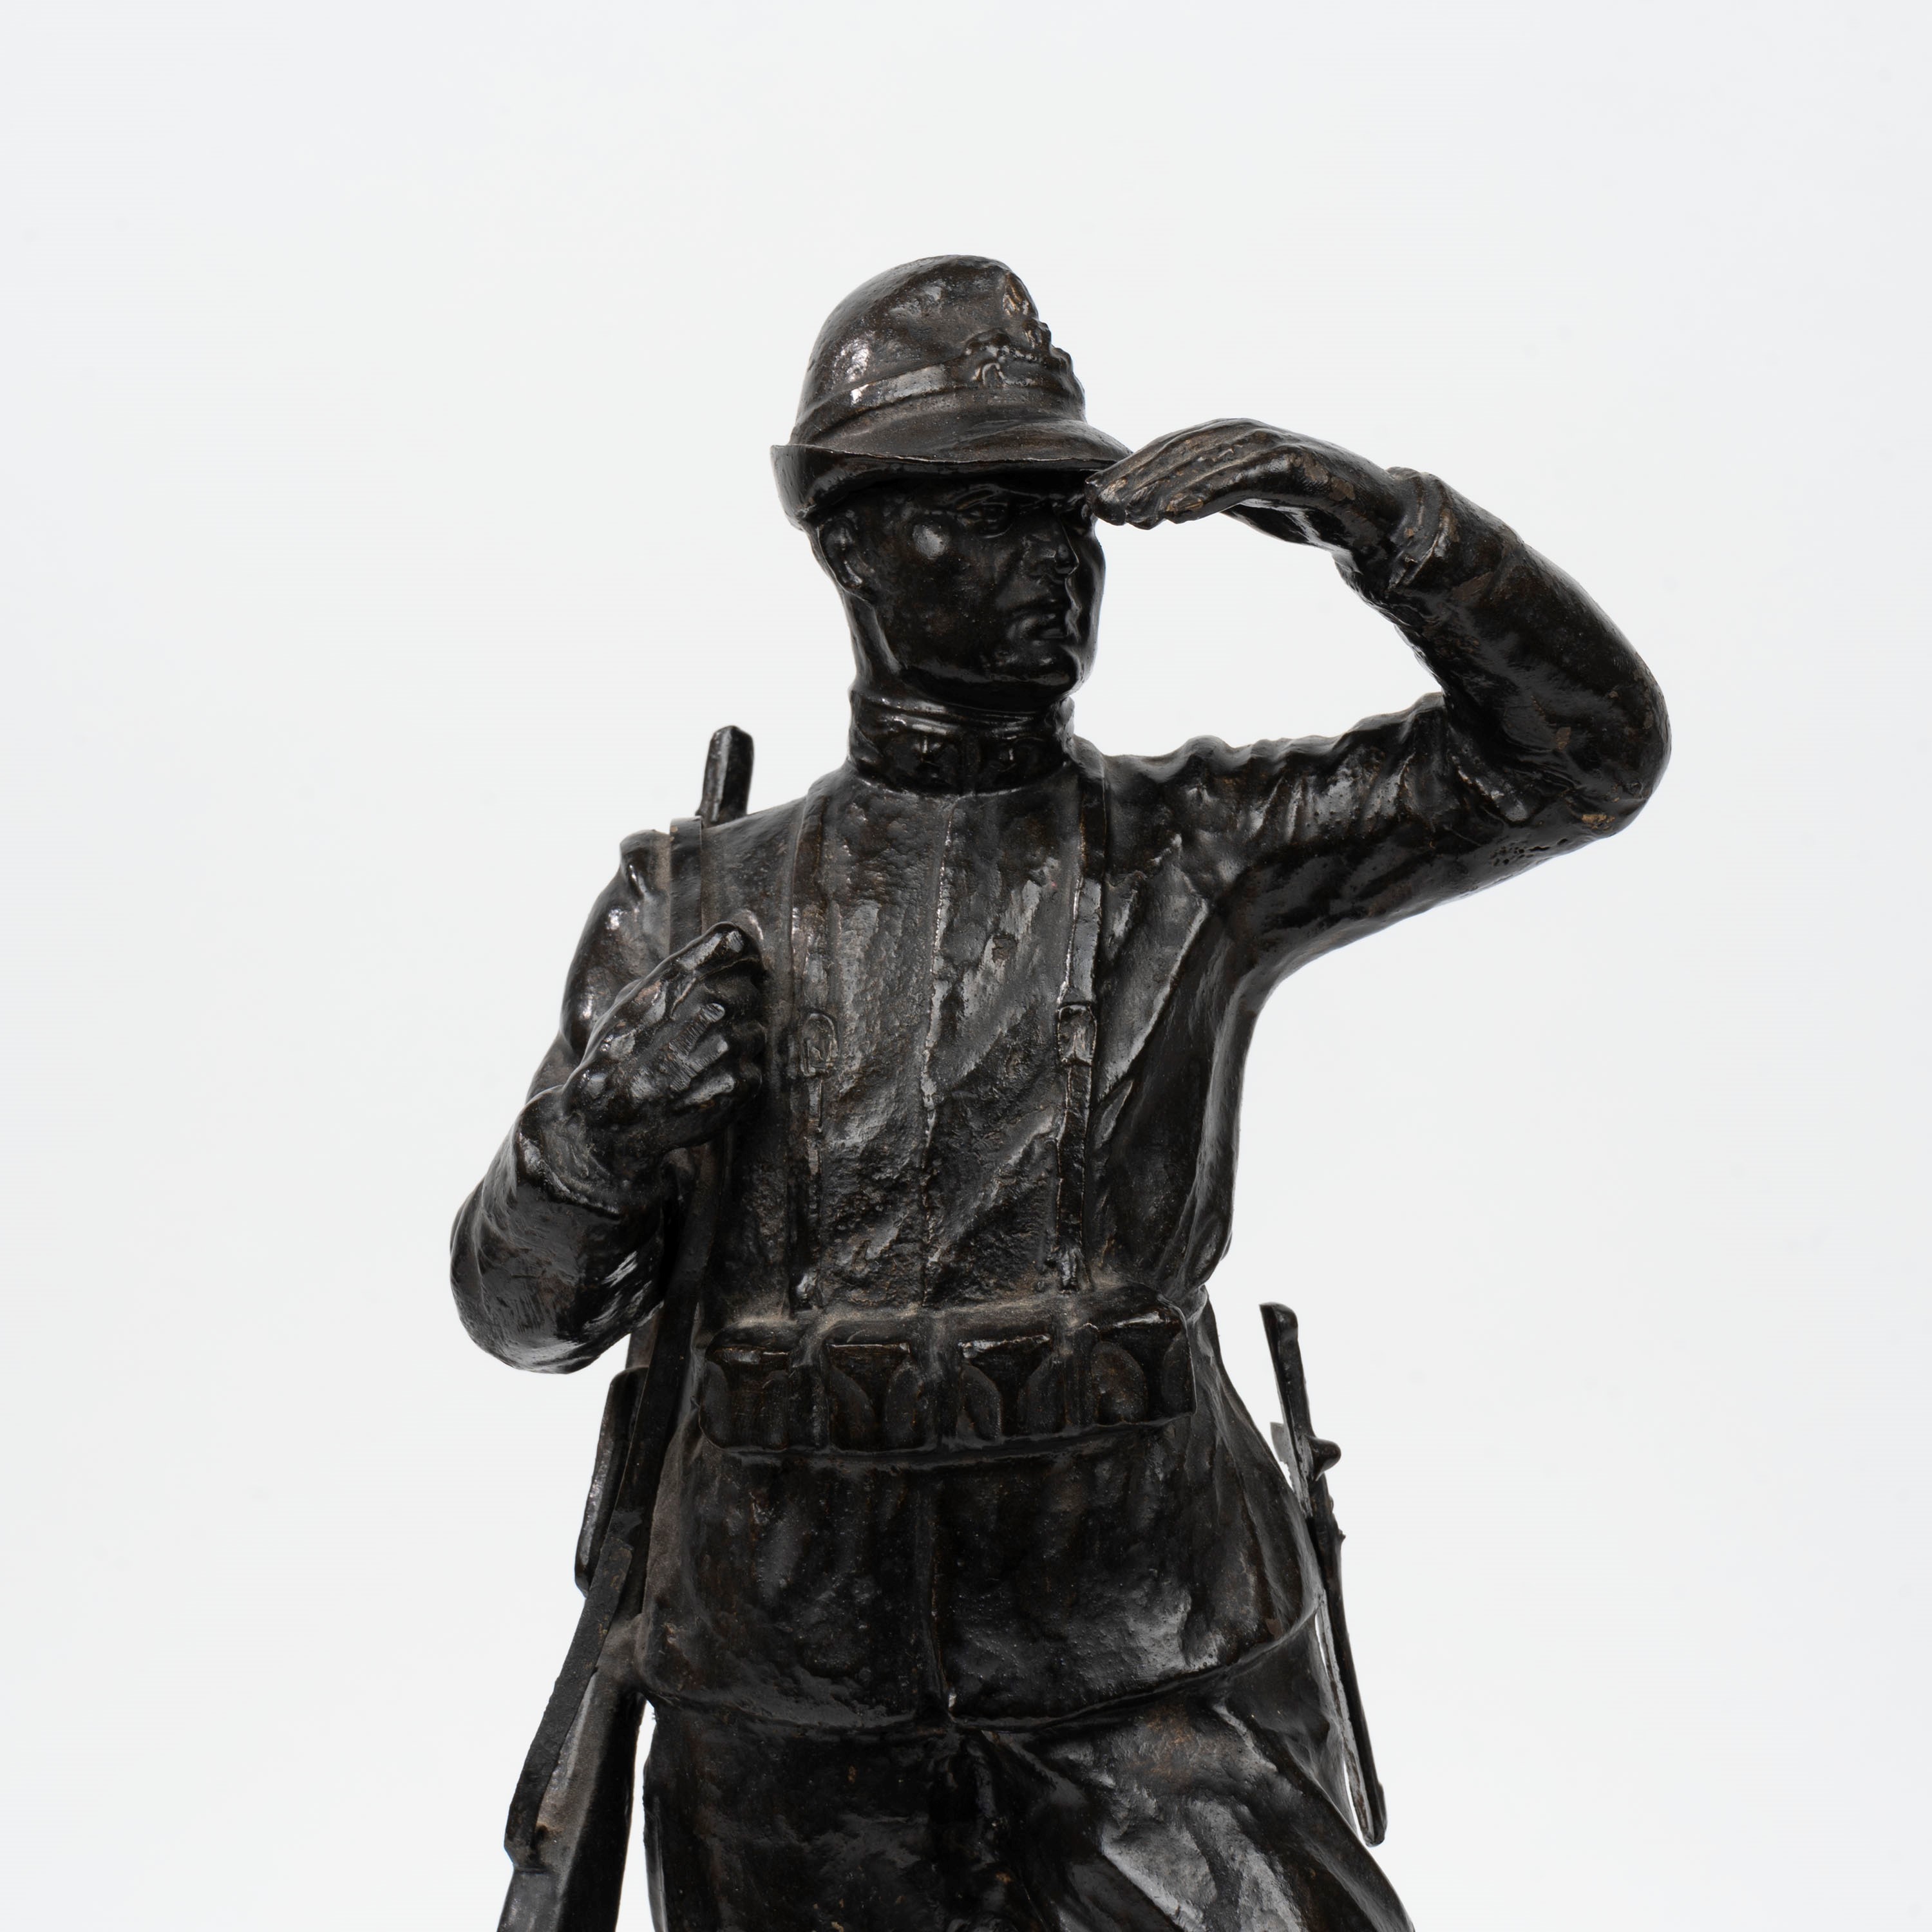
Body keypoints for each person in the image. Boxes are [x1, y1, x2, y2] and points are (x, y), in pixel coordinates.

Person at [453, 256, 1669, 1932]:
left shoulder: (1201, 853)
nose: (1055, 566)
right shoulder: (688, 905)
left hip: (1143, 1664)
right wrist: (595, 1141)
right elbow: (522, 1317)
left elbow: (1581, 760)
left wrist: (1382, 524)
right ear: (854, 544)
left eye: (1067, 520)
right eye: (987, 518)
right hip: (792, 1699)